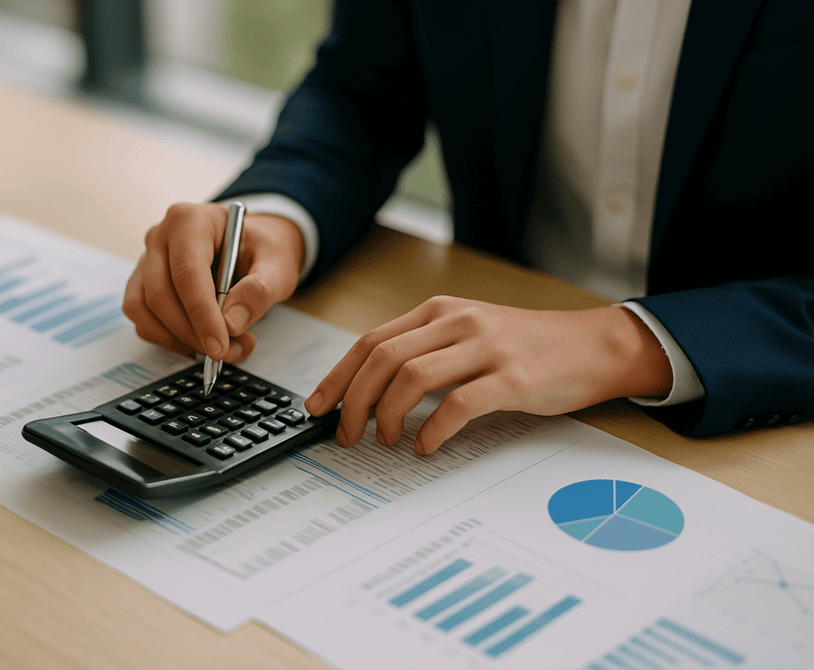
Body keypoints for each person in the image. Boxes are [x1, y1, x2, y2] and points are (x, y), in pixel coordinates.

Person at [123, 0, 814, 455]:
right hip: (484, 406)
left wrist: (622, 340)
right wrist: (280, 214)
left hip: (753, 430)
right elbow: (363, 89)